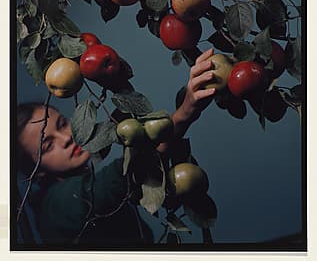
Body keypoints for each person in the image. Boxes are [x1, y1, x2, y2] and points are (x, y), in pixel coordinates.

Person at [16, 48, 217, 247]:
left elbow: (141, 178)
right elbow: (124, 177)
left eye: (61, 124)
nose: (66, 138)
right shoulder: (55, 207)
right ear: (37, 170)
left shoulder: (86, 185)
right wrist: (184, 113)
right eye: (48, 145)